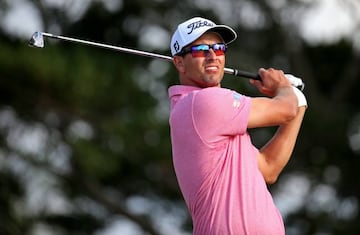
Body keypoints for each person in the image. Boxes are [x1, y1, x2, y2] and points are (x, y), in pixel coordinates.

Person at [168, 16, 307, 235]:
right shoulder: (202, 103)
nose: (212, 56)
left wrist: (298, 102)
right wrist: (282, 86)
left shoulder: (214, 118)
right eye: (200, 50)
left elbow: (269, 167)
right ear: (179, 62)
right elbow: (284, 110)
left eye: (219, 48)